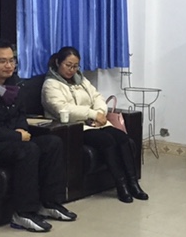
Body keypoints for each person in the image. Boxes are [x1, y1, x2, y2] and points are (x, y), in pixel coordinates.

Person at [0, 39, 77, 232]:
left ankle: (49, 203)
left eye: (12, 60)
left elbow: (21, 115)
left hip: (15, 138)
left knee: (53, 143)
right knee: (28, 150)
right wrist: (15, 135)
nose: (9, 66)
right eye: (2, 61)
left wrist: (21, 130)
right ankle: (23, 213)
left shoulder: (15, 85)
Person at [42, 46, 148, 204]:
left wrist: (100, 113)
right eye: (68, 65)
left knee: (123, 138)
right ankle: (121, 185)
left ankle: (133, 184)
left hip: (95, 123)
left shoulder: (81, 80)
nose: (72, 70)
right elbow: (62, 108)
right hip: (74, 127)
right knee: (107, 140)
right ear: (58, 62)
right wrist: (92, 114)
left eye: (75, 66)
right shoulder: (51, 84)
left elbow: (97, 97)